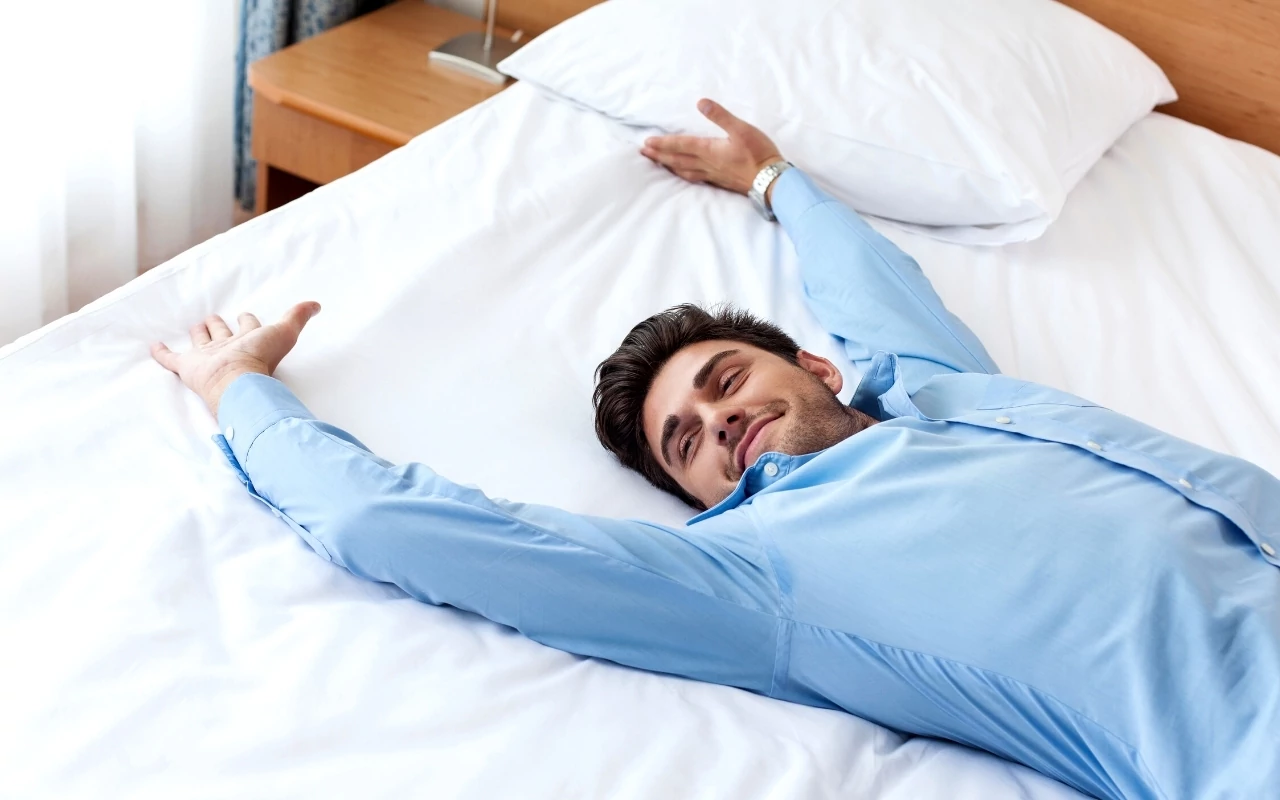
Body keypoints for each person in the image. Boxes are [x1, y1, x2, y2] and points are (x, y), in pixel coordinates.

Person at [152, 100, 1280, 800]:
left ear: (818, 368)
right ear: (698, 499)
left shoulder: (939, 388)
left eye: (726, 380)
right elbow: (410, 527)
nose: (717, 422)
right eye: (684, 442)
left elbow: (873, 287)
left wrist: (772, 181)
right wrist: (240, 392)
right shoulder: (760, 571)